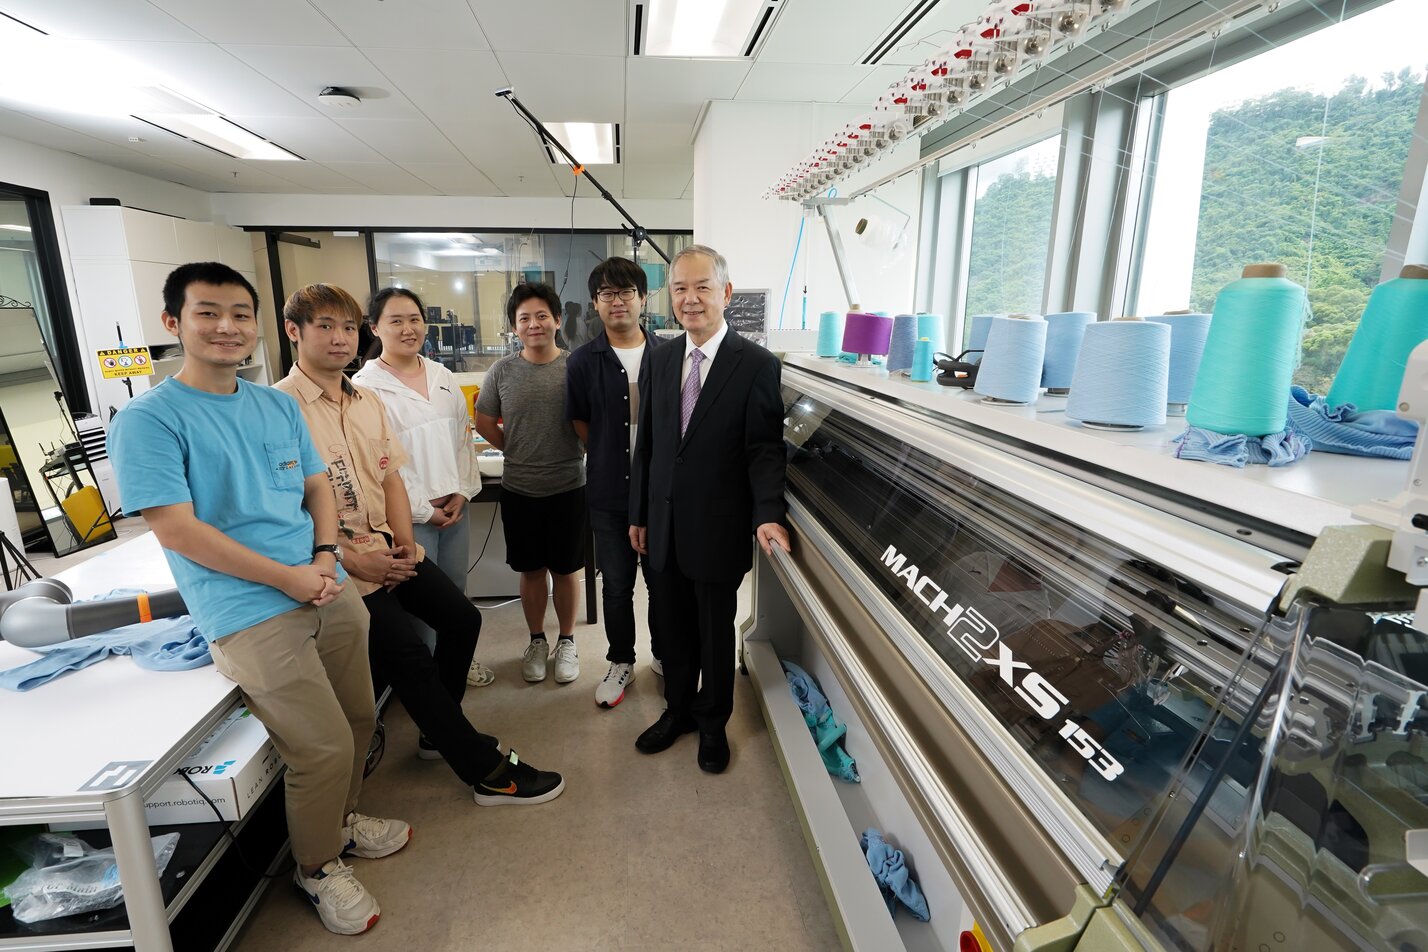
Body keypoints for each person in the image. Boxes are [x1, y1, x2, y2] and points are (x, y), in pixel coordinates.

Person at [107, 262, 407, 936]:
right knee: (321, 747)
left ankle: (341, 819)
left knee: (360, 718)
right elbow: (178, 529)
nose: (227, 326)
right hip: (247, 610)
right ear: (173, 323)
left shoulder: (274, 404)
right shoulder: (148, 419)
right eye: (208, 312)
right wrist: (289, 577)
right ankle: (317, 863)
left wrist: (325, 557)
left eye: (241, 313)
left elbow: (316, 489)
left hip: (323, 586)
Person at [275, 283, 564, 808]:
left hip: (390, 543)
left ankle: (438, 729)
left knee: (463, 619)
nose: (339, 338)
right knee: (409, 655)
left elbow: (388, 473)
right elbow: (281, 508)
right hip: (336, 567)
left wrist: (406, 545)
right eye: (325, 326)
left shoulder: (361, 399)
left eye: (346, 326)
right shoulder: (278, 408)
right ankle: (485, 772)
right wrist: (347, 557)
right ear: (294, 331)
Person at [629, 245, 791, 774]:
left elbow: (765, 448)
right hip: (665, 522)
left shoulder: (757, 365)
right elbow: (648, 445)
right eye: (680, 288)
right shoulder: (660, 357)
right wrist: (640, 513)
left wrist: (767, 512)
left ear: (725, 292)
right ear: (670, 297)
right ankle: (677, 710)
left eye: (702, 287)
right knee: (670, 627)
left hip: (719, 527)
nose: (690, 299)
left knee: (714, 633)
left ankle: (713, 721)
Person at [352, 287, 493, 689]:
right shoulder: (366, 387)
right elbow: (378, 465)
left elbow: (462, 440)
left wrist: (463, 492)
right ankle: (427, 685)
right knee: (419, 611)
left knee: (455, 597)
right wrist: (424, 511)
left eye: (414, 319)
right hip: (408, 520)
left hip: (454, 509)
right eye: (395, 320)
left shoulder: (442, 376)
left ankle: (454, 666)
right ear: (375, 327)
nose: (408, 328)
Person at [474, 283, 586, 686]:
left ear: (557, 321)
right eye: (524, 318)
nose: (534, 324)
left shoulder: (576, 367)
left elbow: (590, 424)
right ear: (514, 327)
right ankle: (537, 640)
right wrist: (515, 448)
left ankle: (568, 641)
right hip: (520, 489)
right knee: (532, 570)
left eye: (542, 316)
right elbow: (484, 420)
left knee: (567, 569)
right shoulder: (502, 371)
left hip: (569, 486)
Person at [566, 257, 664, 709]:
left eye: (626, 292)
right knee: (617, 584)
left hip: (663, 493)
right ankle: (620, 659)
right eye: (607, 293)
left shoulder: (670, 354)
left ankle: (665, 654)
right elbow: (581, 421)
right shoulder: (584, 360)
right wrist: (613, 452)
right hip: (608, 493)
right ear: (595, 303)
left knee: (664, 582)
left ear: (643, 298)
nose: (617, 301)